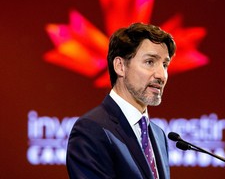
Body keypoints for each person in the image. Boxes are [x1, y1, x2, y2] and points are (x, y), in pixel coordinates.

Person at [66, 22, 176, 179]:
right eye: (150, 62)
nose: (161, 75)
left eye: (165, 64)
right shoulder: (91, 129)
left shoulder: (159, 135)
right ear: (120, 66)